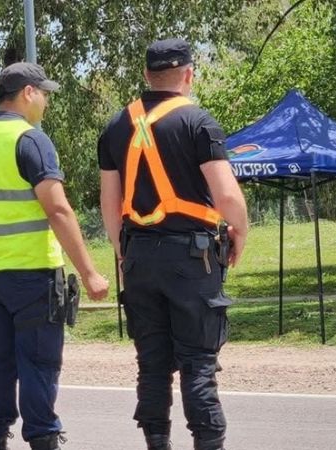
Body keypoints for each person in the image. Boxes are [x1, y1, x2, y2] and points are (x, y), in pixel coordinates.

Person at [98, 38, 248, 450]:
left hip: (139, 257)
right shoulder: (198, 121)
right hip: (191, 257)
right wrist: (240, 234)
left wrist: (122, 250)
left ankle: (157, 445)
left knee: (152, 365)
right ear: (188, 75)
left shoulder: (115, 126)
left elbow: (109, 203)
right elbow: (228, 197)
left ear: (147, 76)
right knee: (198, 365)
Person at [0, 62, 109, 450]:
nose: (46, 101)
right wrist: (90, 273)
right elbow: (58, 210)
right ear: (28, 93)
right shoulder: (31, 140)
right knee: (39, 361)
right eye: (44, 93)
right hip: (32, 273)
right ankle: (43, 439)